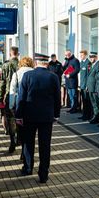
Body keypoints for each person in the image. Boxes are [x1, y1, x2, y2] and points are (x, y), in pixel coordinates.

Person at [15, 53, 61, 183]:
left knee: (28, 143)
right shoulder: (53, 77)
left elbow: (21, 97)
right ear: (47, 63)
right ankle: (43, 174)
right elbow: (57, 98)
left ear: (36, 63)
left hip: (29, 116)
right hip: (46, 117)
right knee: (45, 145)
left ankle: (28, 168)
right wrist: (56, 114)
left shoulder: (27, 75)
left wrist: (19, 115)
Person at [0, 46, 20, 153]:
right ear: (18, 53)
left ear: (10, 53)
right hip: (20, 96)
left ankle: (12, 142)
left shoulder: (6, 65)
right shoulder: (22, 65)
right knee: (20, 118)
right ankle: (20, 139)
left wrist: (0, 96)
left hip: (9, 95)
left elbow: (2, 82)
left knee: (10, 119)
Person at [86, 52, 99, 123]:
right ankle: (94, 116)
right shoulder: (91, 65)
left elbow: (97, 78)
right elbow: (89, 76)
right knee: (93, 103)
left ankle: (96, 118)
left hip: (94, 88)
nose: (91, 59)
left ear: (96, 57)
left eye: (93, 57)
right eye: (90, 57)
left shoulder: (98, 65)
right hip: (90, 87)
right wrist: (87, 86)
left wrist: (96, 88)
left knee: (96, 104)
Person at [78, 50, 92, 120]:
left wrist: (87, 86)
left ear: (85, 55)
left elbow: (88, 75)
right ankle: (84, 115)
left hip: (86, 86)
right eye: (80, 55)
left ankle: (87, 116)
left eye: (82, 55)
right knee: (83, 101)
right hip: (82, 85)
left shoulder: (88, 63)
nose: (81, 56)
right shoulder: (81, 63)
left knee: (87, 102)